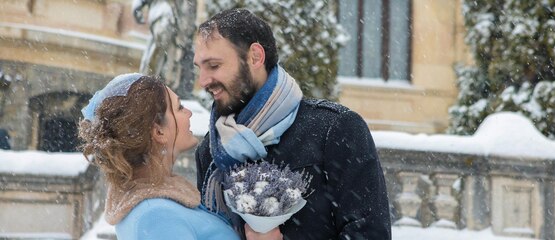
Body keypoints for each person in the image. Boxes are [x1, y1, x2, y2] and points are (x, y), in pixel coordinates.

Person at [193, 9, 391, 240]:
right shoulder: (211, 149)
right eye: (200, 68)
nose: (203, 81)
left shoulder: (334, 129)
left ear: (255, 57)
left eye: (214, 66)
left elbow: (369, 234)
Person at [78, 73, 239, 240]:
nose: (189, 113)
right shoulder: (156, 216)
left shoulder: (157, 208)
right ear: (159, 132)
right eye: (179, 108)